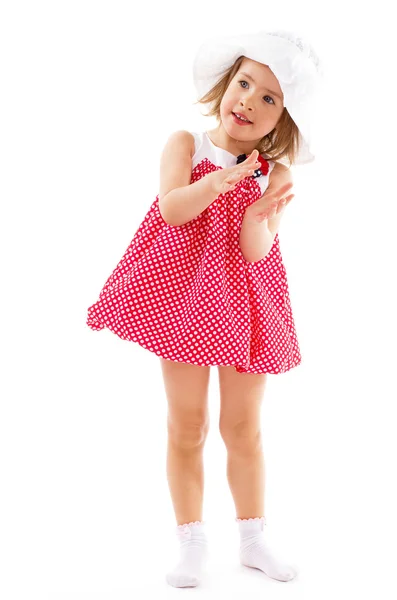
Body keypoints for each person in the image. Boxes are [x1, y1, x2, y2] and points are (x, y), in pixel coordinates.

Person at [86, 29, 323, 588]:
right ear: (225, 83)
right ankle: (191, 540)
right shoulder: (186, 144)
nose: (249, 101)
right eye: (245, 83)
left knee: (243, 427)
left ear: (283, 121)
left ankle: (253, 537)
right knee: (187, 424)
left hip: (244, 305)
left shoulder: (275, 174)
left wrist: (256, 211)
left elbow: (256, 251)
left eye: (270, 98)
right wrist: (221, 180)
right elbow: (172, 209)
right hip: (182, 301)